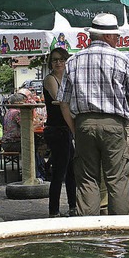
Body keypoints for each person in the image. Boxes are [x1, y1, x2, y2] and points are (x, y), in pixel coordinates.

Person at [58, 13, 129, 215]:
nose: (117, 39)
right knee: (118, 178)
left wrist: (75, 129)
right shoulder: (121, 59)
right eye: (115, 36)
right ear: (107, 37)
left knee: (87, 179)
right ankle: (120, 234)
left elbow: (63, 102)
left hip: (83, 124)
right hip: (114, 124)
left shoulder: (73, 60)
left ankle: (89, 236)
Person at [43, 47, 77, 217]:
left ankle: (73, 206)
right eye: (55, 60)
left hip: (66, 128)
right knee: (59, 171)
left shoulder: (68, 79)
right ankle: (54, 210)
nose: (58, 63)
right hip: (56, 130)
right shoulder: (50, 80)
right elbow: (60, 100)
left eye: (61, 60)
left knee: (71, 170)